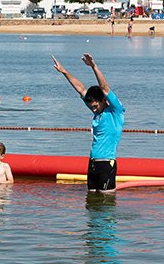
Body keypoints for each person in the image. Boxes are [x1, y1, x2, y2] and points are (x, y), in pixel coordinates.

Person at [52, 53, 125, 192]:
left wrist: (94, 67)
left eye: (95, 105)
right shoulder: (97, 113)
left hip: (106, 163)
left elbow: (104, 87)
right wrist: (64, 72)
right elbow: (81, 89)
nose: (93, 109)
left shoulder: (116, 111)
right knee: (91, 201)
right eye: (91, 106)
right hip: (92, 163)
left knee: (106, 200)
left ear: (104, 100)